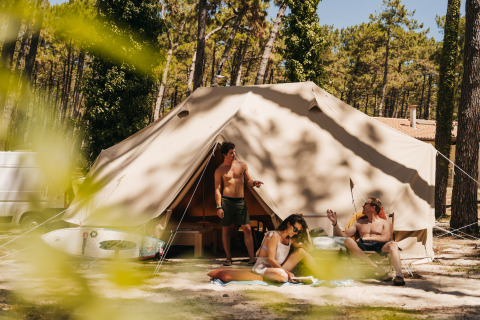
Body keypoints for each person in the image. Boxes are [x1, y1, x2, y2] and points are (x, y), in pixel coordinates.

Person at [208, 214, 318, 283]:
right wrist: (286, 272)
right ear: (288, 224)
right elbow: (271, 260)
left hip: (279, 268)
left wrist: (306, 229)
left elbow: (309, 248)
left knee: (302, 252)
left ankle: (322, 274)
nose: (296, 232)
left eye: (298, 231)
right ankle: (264, 276)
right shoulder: (274, 235)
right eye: (295, 229)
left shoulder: (290, 239)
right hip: (265, 267)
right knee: (282, 276)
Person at [326, 197, 405, 286]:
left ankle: (399, 276)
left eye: (365, 204)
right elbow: (344, 235)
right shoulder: (359, 222)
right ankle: (377, 269)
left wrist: (364, 239)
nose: (362, 205)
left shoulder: (385, 223)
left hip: (379, 245)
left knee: (393, 244)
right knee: (348, 241)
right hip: (362, 246)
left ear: (373, 207)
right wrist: (334, 223)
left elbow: (385, 238)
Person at [214, 142, 263, 266]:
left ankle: (252, 258)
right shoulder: (219, 170)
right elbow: (217, 189)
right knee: (226, 230)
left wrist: (254, 183)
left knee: (247, 228)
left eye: (234, 152)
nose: (234, 155)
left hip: (240, 201)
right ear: (225, 154)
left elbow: (248, 181)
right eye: (231, 153)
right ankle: (228, 258)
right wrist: (219, 206)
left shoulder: (242, 165)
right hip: (226, 201)